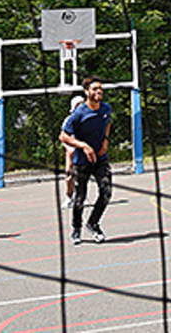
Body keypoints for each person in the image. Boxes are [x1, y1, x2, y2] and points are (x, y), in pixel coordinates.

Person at [60, 76, 112, 245]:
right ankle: (76, 228)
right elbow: (63, 136)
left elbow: (107, 123)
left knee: (106, 193)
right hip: (82, 161)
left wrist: (105, 140)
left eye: (100, 88)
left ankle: (93, 224)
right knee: (80, 199)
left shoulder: (105, 108)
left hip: (100, 159)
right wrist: (83, 145)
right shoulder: (79, 114)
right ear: (87, 92)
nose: (98, 91)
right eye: (94, 89)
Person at [62, 90, 86, 209]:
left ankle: (81, 196)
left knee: (83, 174)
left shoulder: (87, 119)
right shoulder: (69, 120)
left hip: (82, 150)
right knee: (69, 174)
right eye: (80, 104)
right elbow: (63, 137)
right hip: (72, 151)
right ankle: (69, 196)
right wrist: (69, 148)